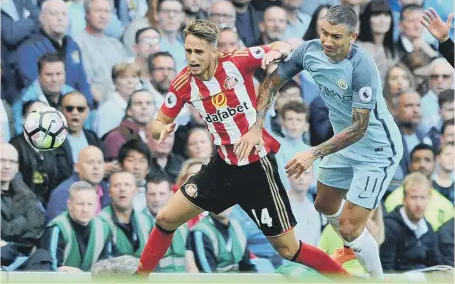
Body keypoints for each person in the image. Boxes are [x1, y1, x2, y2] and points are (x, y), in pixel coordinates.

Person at [136, 19, 348, 277]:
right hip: (222, 168)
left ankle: (345, 280)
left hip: (257, 169)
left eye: (199, 51)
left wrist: (275, 51)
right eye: (188, 51)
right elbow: (159, 122)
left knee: (288, 249)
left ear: (214, 50)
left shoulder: (237, 61)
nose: (192, 58)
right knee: (166, 219)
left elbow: (280, 45)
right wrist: (162, 130)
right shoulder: (183, 83)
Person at [254, 5, 403, 281]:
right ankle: (355, 245)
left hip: (377, 151)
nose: (327, 41)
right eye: (324, 33)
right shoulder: (309, 51)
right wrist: (256, 127)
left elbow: (359, 127)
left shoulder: (362, 68)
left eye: (335, 36)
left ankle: (377, 278)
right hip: (342, 144)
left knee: (348, 227)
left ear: (353, 37)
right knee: (323, 205)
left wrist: (312, 153)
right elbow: (270, 84)